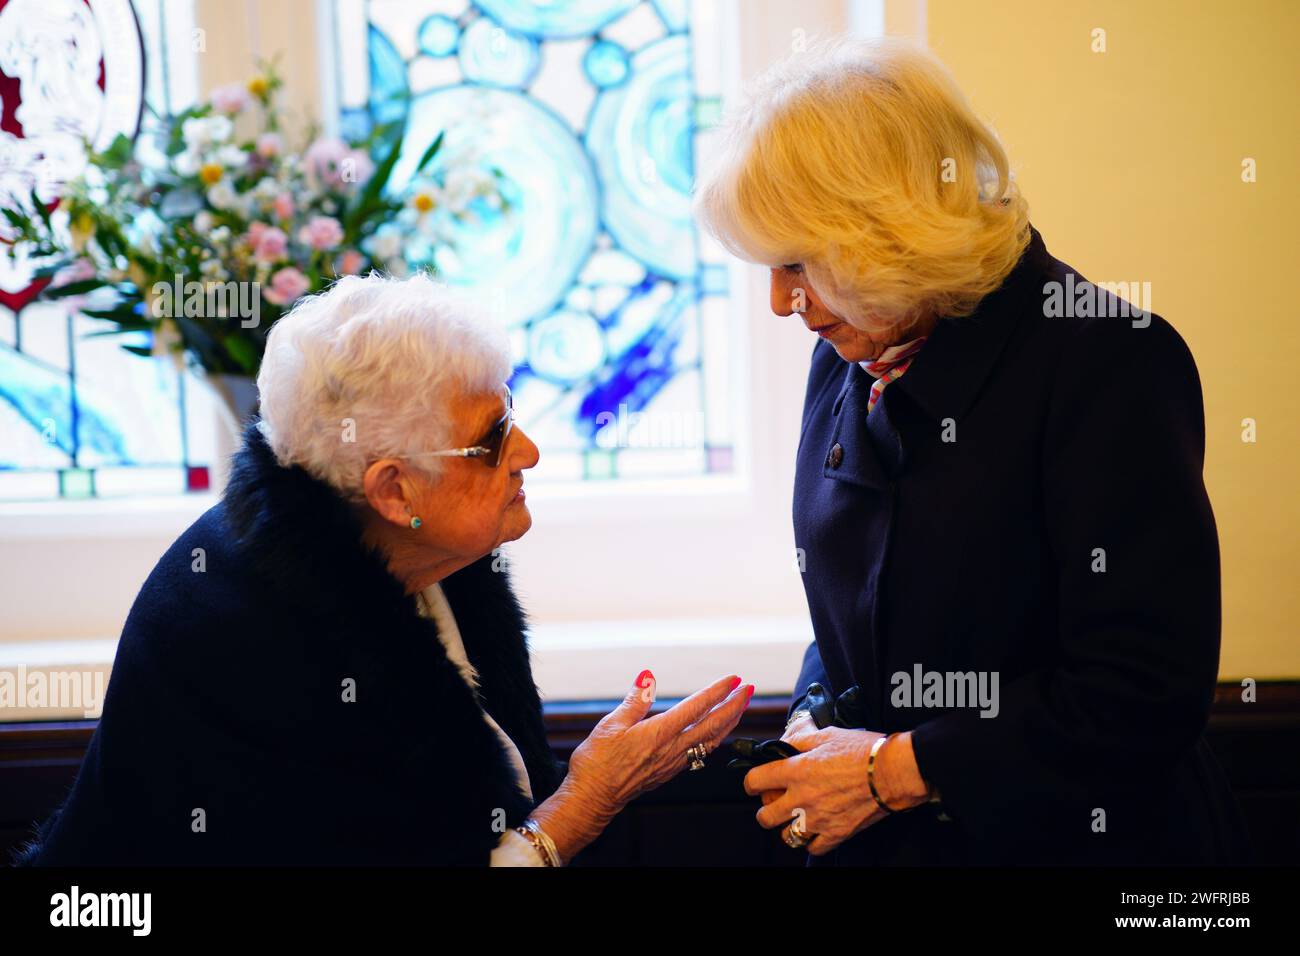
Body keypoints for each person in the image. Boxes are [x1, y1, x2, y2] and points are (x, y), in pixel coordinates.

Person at [694, 36, 1251, 865]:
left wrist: (895, 769)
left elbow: (1142, 691)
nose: (780, 303)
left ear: (889, 233)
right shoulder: (848, 358)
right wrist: (819, 715)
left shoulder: (1108, 359)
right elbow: (856, 611)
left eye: (796, 263)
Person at [16, 273, 752, 866]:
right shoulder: (256, 643)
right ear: (394, 490)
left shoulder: (427, 554)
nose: (528, 451)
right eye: (492, 438)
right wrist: (579, 806)